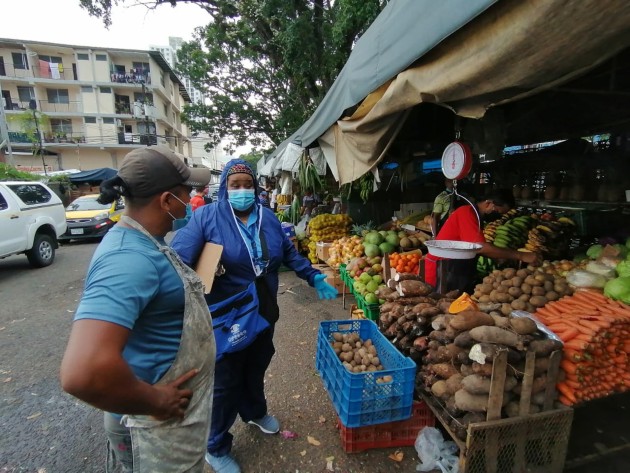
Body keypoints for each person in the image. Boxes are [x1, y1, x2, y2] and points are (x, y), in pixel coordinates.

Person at [171, 159, 337, 473]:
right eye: (235, 185)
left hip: (263, 310)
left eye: (247, 184)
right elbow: (179, 262)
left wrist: (312, 276)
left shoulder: (268, 218)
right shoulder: (207, 217)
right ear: (225, 189)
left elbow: (287, 252)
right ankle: (215, 445)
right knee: (226, 379)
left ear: (256, 187)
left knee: (257, 364)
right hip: (226, 315)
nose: (242, 190)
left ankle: (254, 412)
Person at [60, 146, 215, 473]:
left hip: (170, 424)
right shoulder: (127, 259)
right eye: (187, 194)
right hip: (151, 427)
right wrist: (155, 401)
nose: (192, 201)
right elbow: (82, 372)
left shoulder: (151, 242)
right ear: (166, 201)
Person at [424, 189, 542, 293]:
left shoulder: (476, 217)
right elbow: (480, 247)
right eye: (499, 212)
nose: (499, 217)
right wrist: (521, 255)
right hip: (442, 270)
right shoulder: (466, 213)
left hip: (453, 268)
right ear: (488, 203)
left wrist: (498, 256)